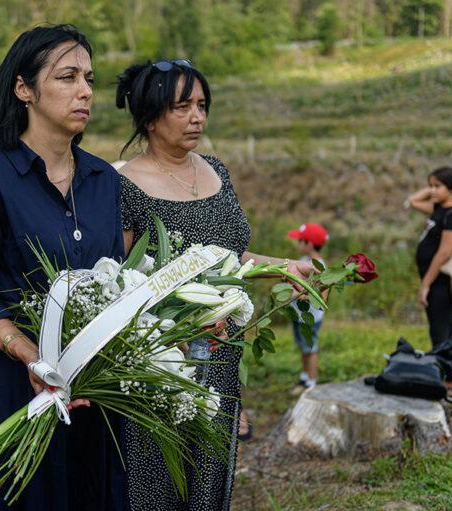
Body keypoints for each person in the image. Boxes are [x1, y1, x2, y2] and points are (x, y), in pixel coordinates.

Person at [115, 59, 314, 511]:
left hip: (222, 356)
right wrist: (168, 335)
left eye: (202, 105)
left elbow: (229, 258)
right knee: (156, 482)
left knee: (209, 479)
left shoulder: (216, 170)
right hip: (161, 365)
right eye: (182, 106)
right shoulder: (122, 185)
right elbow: (121, 280)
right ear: (149, 116)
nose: (197, 117)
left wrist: (285, 267)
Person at [0, 25, 126, 511]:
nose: (85, 90)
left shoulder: (104, 180)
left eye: (89, 77)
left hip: (96, 401)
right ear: (24, 89)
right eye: (67, 77)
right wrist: (34, 358)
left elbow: (119, 283)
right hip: (17, 395)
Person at [408, 166, 452, 403]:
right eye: (430, 185)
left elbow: (443, 255)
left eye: (437, 186)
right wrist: (434, 189)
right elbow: (413, 201)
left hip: (440, 283)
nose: (431, 190)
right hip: (434, 282)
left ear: (451, 188)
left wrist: (426, 284)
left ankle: (447, 384)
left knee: (441, 333)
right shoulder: (439, 208)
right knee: (443, 331)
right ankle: (447, 381)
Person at [286, 223, 329, 396]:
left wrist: (298, 294)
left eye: (300, 240)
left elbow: (320, 294)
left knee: (310, 348)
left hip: (309, 317)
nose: (298, 244)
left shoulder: (318, 266)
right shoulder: (303, 262)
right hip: (298, 315)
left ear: (309, 244)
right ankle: (304, 378)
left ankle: (311, 383)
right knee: (303, 346)